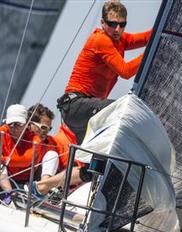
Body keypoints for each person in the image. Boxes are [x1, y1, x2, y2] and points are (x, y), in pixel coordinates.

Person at [57, 0, 151, 144]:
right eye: (112, 24)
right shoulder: (100, 40)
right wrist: (151, 53)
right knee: (123, 109)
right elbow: (125, 72)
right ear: (102, 22)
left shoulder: (120, 39)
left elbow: (146, 37)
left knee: (92, 157)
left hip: (88, 107)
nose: (117, 29)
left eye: (122, 24)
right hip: (76, 106)